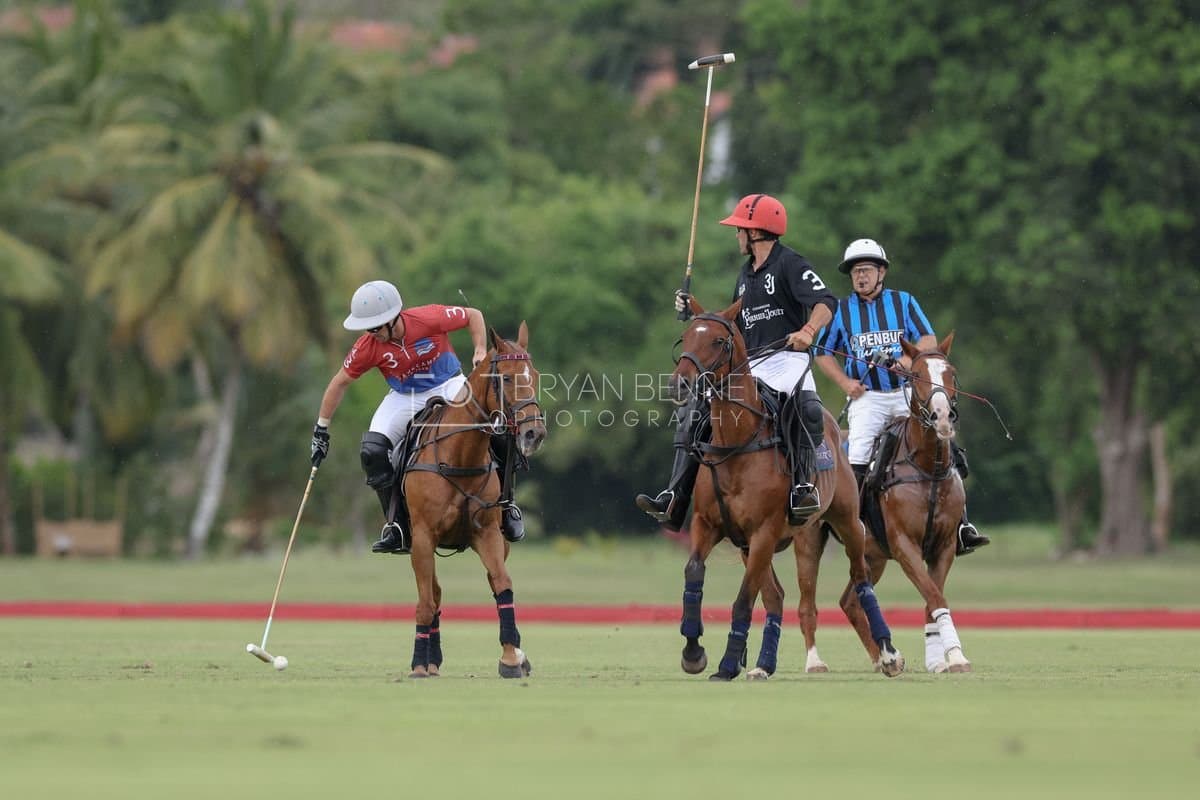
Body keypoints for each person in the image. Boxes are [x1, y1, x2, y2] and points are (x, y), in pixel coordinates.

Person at [636, 193, 837, 529]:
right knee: (695, 410)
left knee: (807, 407)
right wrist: (695, 312)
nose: (736, 235)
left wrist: (809, 329)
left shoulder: (791, 263)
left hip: (788, 359)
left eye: (739, 229)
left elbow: (826, 301)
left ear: (756, 232)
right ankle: (675, 497)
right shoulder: (746, 274)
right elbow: (733, 325)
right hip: (752, 365)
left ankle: (802, 486)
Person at [310, 280, 526, 555]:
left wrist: (480, 350)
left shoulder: (427, 318)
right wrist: (321, 430)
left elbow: (474, 316)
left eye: (376, 327)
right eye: (368, 328)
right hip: (404, 397)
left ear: (392, 319)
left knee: (497, 431)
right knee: (372, 450)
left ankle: (507, 507)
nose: (372, 333)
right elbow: (338, 384)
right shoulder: (367, 347)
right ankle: (397, 526)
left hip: (449, 384)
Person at [813, 238, 989, 555]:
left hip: (908, 393)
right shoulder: (841, 310)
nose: (860, 276)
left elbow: (928, 338)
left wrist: (907, 362)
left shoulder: (903, 302)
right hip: (869, 397)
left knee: (943, 445)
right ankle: (855, 523)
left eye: (866, 270)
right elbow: (822, 353)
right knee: (858, 454)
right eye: (855, 272)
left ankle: (962, 525)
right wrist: (845, 383)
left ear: (881, 272)